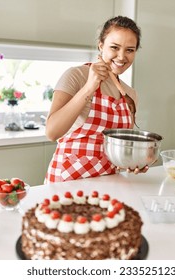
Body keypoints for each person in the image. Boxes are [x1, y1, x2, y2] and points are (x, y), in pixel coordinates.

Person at [44, 16, 146, 183]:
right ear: (101, 46)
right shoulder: (76, 76)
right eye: (114, 47)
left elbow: (122, 149)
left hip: (109, 183)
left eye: (130, 50)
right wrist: (90, 87)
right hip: (68, 181)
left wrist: (135, 161)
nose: (121, 57)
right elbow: (52, 132)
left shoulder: (130, 94)